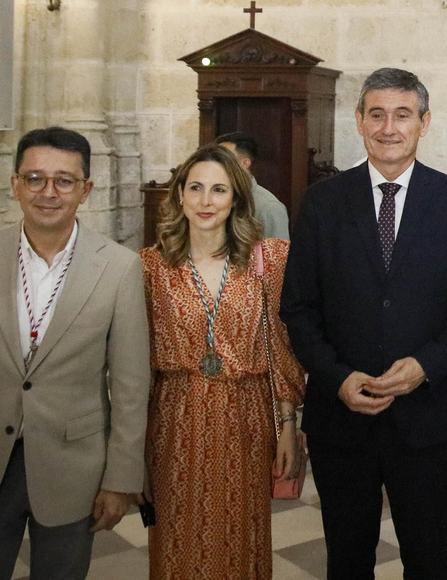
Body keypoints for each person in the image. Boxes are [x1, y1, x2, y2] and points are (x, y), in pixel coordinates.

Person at [0, 127, 150, 580]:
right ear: (15, 185)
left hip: (73, 462)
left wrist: (120, 480)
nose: (48, 192)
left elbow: (131, 385)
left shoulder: (120, 267)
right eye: (35, 178)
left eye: (64, 180)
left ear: (86, 190)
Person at [280, 68, 447, 579]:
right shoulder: (323, 202)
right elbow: (298, 308)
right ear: (359, 121)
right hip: (342, 419)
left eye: (402, 115)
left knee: (426, 558)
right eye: (377, 114)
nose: (388, 127)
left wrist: (426, 366)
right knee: (347, 561)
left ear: (424, 123)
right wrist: (337, 377)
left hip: (427, 418)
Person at [141, 143, 303, 580]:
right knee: (177, 539)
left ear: (236, 198)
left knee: (240, 537)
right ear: (178, 195)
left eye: (219, 190)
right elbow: (136, 366)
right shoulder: (150, 267)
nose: (206, 201)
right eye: (195, 188)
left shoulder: (268, 260)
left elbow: (280, 347)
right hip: (175, 417)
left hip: (244, 418)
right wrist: (132, 446)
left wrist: (288, 425)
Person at [217, 131, 291, 240]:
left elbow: (278, 255)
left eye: (224, 159)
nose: (215, 164)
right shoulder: (214, 199)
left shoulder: (269, 207)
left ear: (245, 163)